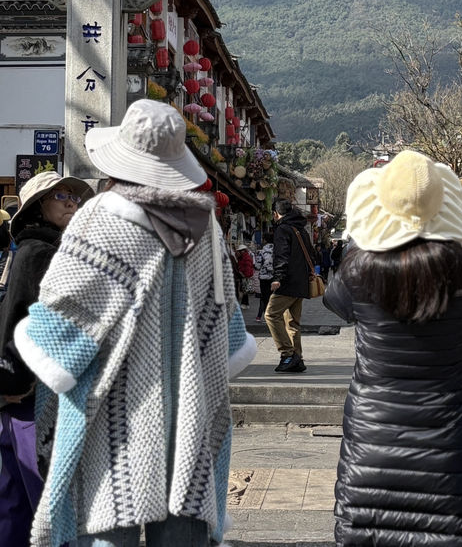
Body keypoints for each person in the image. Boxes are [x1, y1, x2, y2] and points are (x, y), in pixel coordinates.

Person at [14, 99, 256, 547]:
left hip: (113, 416)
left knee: (108, 518)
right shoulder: (207, 227)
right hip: (189, 413)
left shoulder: (99, 219)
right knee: (184, 525)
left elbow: (59, 334)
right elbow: (227, 335)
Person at [323, 150, 462, 546]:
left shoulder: (359, 269)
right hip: (448, 443)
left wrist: (362, 238)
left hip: (373, 439)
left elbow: (335, 302)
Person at [0, 171, 93, 547]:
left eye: (74, 196)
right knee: (45, 495)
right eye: (61, 196)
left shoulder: (34, 249)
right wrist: (14, 383)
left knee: (14, 497)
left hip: (19, 389)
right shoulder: (41, 252)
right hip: (30, 393)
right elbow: (22, 322)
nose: (71, 202)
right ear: (40, 205)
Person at [264, 198, 312, 373]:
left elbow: (281, 255)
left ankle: (287, 354)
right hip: (301, 283)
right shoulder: (301, 230)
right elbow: (312, 255)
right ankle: (297, 358)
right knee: (292, 322)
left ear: (276, 214)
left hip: (287, 282)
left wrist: (278, 277)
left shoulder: (283, 229)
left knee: (271, 314)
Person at [254, 234, 274, 322]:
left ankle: (266, 315)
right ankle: (273, 315)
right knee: (273, 297)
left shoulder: (261, 252)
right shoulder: (277, 250)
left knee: (264, 297)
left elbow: (257, 266)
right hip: (274, 277)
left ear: (265, 240)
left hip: (264, 277)